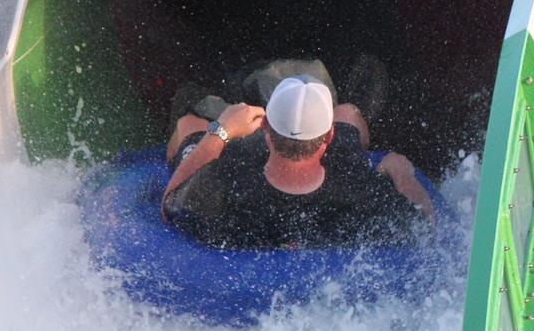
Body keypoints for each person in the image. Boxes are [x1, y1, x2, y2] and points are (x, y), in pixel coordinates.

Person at [162, 71, 434, 249]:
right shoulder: (361, 188)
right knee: (348, 112)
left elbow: (170, 203)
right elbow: (423, 225)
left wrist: (220, 131)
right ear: (328, 137)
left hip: (249, 179)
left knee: (189, 122)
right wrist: (402, 174)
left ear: (264, 128)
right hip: (337, 188)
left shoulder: (225, 180)